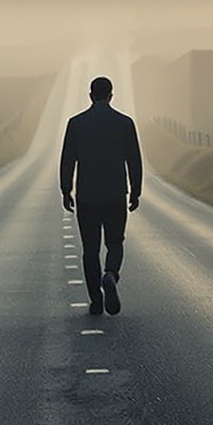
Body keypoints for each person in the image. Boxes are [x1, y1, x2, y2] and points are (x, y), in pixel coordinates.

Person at [60, 76, 143, 315]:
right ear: (111, 96)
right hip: (115, 194)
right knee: (115, 242)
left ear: (90, 95)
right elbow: (134, 161)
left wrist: (66, 190)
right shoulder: (124, 123)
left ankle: (96, 300)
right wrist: (135, 191)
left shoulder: (76, 124)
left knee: (90, 249)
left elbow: (68, 160)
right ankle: (111, 274)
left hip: (87, 196)